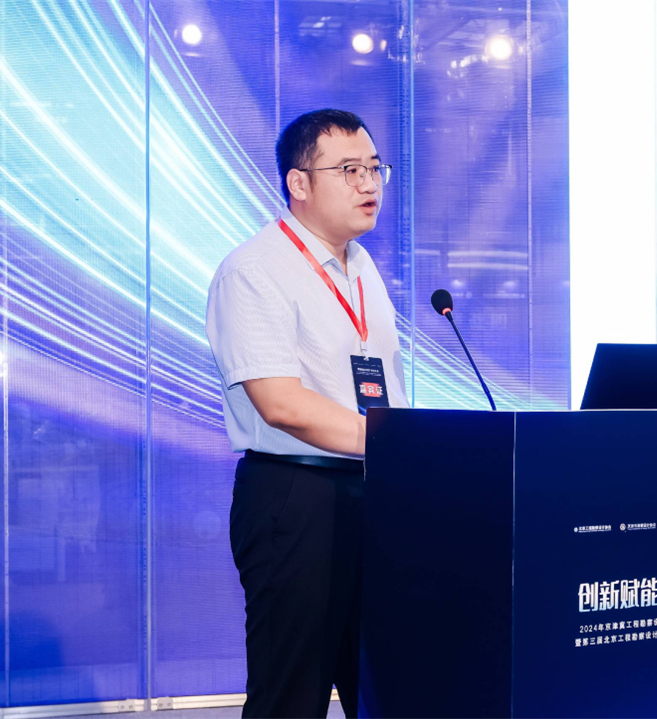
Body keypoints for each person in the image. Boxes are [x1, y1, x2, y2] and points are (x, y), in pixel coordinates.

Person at [205, 109, 409, 718]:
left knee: (387, 689)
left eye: (374, 168)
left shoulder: (362, 266)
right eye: (349, 170)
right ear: (298, 182)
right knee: (291, 696)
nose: (368, 183)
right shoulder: (254, 270)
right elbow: (280, 402)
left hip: (375, 492)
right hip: (297, 498)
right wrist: (400, 446)